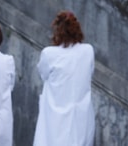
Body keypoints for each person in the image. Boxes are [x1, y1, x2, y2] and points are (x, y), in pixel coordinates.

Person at [32, 11, 95, 146]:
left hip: (55, 114)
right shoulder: (88, 51)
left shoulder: (49, 54)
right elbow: (90, 71)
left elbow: (43, 74)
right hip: (80, 114)